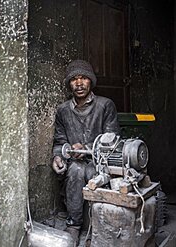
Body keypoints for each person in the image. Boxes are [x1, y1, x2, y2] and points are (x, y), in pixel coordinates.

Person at [52, 60, 120, 245]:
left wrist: (87, 148)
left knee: (91, 172)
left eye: (83, 78)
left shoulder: (105, 105)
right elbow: (60, 142)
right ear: (69, 83)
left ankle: (95, 228)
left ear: (91, 81)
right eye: (74, 79)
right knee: (75, 170)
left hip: (100, 162)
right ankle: (74, 225)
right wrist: (58, 157)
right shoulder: (63, 110)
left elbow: (113, 139)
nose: (79, 83)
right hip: (75, 164)